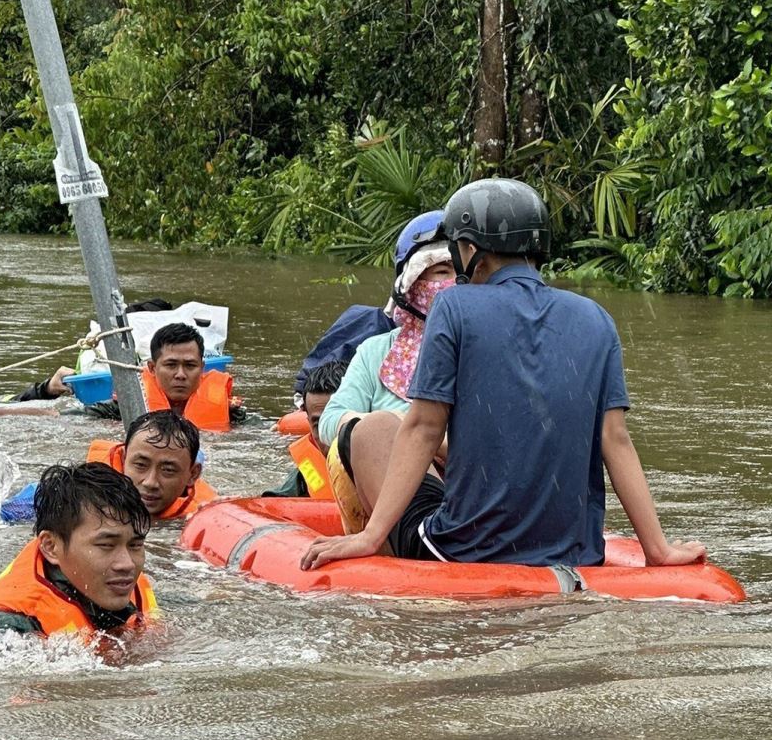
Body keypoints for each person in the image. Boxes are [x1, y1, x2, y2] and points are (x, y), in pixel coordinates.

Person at [302, 178, 706, 572]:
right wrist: (658, 550)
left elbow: (424, 428)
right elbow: (615, 441)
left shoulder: (455, 308)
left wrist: (370, 537)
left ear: (471, 250)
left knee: (374, 429)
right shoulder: (596, 318)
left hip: (465, 550)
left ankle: (389, 551)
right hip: (577, 552)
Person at [0, 462, 159, 641]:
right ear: (51, 547)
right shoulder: (9, 628)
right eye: (106, 545)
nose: (127, 564)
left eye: (135, 545)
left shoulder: (117, 581)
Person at [315, 210, 455, 452]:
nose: (454, 283)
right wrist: (392, 426)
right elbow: (329, 421)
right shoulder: (375, 351)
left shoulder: (490, 349)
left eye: (462, 274)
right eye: (442, 272)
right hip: (384, 468)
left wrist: (428, 439)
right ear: (412, 282)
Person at [0, 410, 217, 523]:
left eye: (168, 470)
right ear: (122, 459)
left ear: (192, 474)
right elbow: (5, 513)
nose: (150, 482)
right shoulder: (73, 496)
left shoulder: (207, 512)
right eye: (140, 465)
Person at [262, 361, 345, 498]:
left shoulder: (390, 460)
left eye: (337, 422)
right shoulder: (304, 477)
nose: (328, 436)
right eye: (318, 425)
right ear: (309, 425)